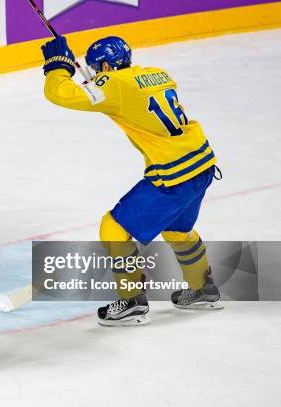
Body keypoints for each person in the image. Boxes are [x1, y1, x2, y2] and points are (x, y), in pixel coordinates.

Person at [40, 36, 222, 326]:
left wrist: (58, 68)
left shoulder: (113, 85)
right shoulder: (158, 74)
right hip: (202, 164)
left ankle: (132, 301)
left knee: (113, 227)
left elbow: (61, 94)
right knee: (177, 230)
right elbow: (116, 90)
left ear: (103, 65)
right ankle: (202, 287)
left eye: (96, 68)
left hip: (172, 173)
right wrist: (100, 80)